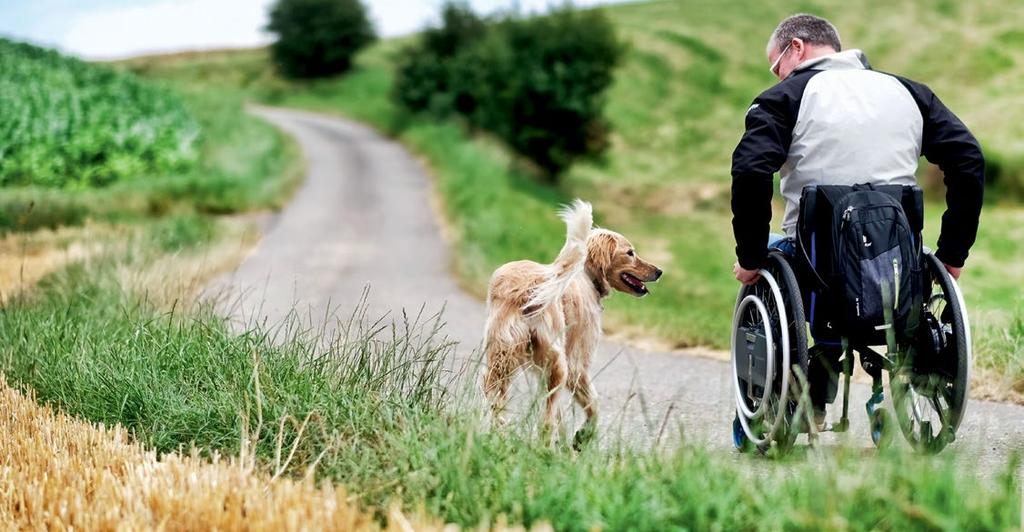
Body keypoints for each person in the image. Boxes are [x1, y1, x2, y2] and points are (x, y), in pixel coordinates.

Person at [729, 14, 985, 427]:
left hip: (813, 266)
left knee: (767, 259)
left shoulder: (783, 99)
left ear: (796, 48)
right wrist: (954, 251)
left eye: (776, 68)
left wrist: (751, 254)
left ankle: (767, 413)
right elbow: (968, 159)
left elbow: (751, 171)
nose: (778, 78)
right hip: (898, 264)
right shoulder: (909, 92)